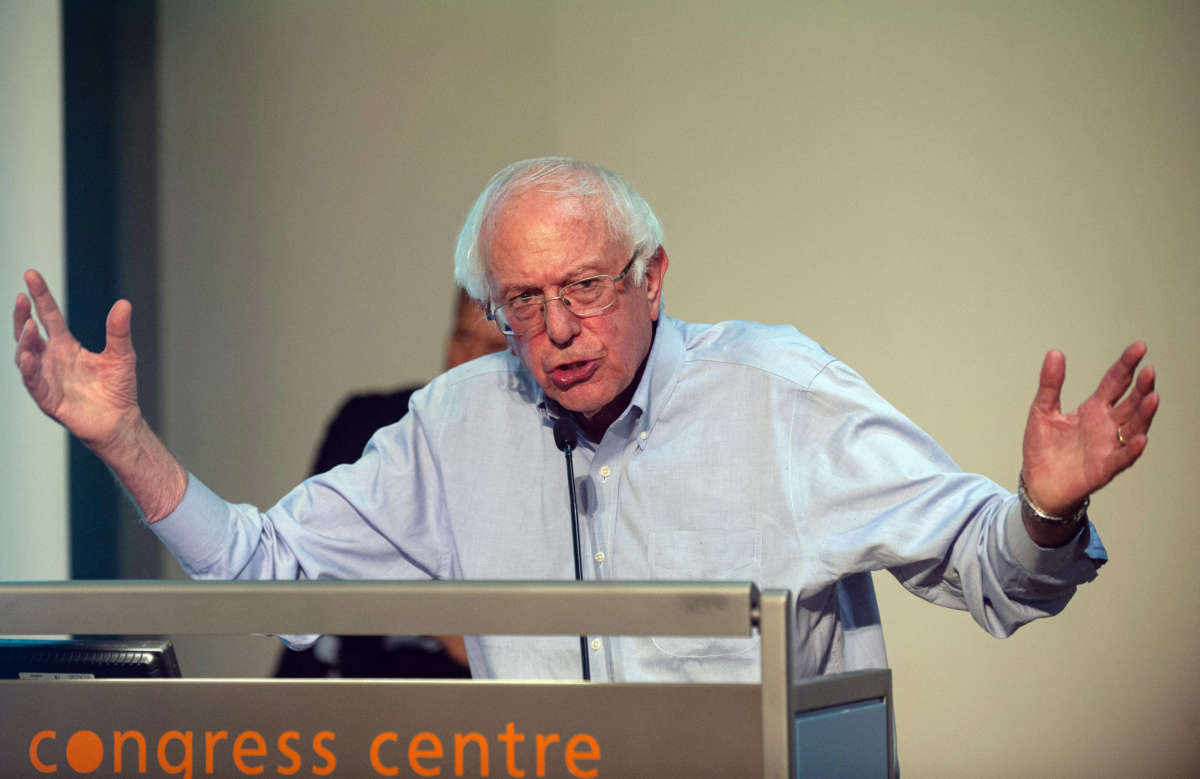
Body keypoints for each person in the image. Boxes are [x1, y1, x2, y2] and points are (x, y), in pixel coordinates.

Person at [13, 157, 1158, 682]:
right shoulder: (457, 421)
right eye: (523, 301)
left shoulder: (779, 391)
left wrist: (1045, 513)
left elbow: (992, 572)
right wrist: (123, 440)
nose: (557, 329)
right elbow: (269, 573)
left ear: (655, 277)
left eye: (587, 288)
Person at [275, 289, 506, 678]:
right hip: (338, 678)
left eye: (494, 348)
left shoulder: (549, 449)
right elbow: (313, 558)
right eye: (462, 339)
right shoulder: (369, 421)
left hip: (462, 704)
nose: (467, 362)